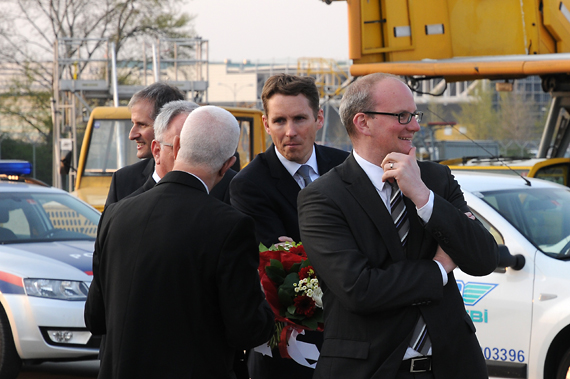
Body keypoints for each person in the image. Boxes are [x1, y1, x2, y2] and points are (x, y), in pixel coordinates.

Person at [297, 73, 499, 379]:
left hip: (453, 367)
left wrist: (423, 197)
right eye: (403, 116)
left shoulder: (435, 181)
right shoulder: (323, 197)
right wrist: (439, 268)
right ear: (363, 122)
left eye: (414, 115)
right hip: (371, 369)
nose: (415, 126)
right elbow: (360, 289)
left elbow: (483, 258)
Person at [84, 106, 275, 379]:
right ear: (227, 165)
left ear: (175, 145)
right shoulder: (230, 226)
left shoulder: (116, 214)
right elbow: (247, 329)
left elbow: (94, 317)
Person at [229, 74, 349, 378]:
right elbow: (284, 275)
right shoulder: (248, 185)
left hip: (352, 344)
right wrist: (349, 257)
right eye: (280, 121)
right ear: (266, 123)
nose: (290, 131)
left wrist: (301, 251)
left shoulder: (346, 167)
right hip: (286, 351)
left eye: (300, 118)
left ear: (319, 118)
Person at [129, 100, 236, 203]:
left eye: (199, 147)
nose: (193, 156)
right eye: (182, 148)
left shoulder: (231, 186)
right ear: (157, 151)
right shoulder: (124, 185)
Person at [104, 82, 185, 206]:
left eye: (142, 125)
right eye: (133, 124)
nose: (132, 135)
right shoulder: (123, 181)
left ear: (169, 125)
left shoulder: (220, 182)